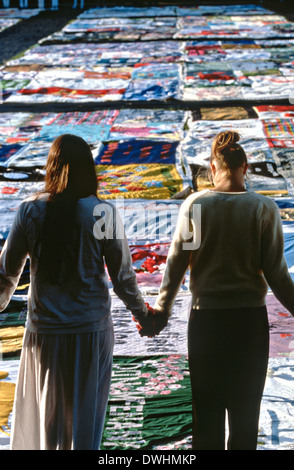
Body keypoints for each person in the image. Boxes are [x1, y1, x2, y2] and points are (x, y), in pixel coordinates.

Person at [0, 134, 154, 450]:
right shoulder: (103, 213)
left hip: (46, 332)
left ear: (52, 168)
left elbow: (5, 275)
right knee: (87, 423)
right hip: (91, 331)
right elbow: (123, 279)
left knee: (50, 424)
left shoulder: (30, 211)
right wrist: (144, 316)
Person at [153, 130, 294, 450]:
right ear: (245, 167)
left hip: (206, 323)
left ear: (212, 169)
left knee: (208, 415)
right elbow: (278, 276)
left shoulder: (195, 205)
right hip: (249, 324)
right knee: (246, 419)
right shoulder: (263, 208)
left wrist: (161, 310)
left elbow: (176, 263)